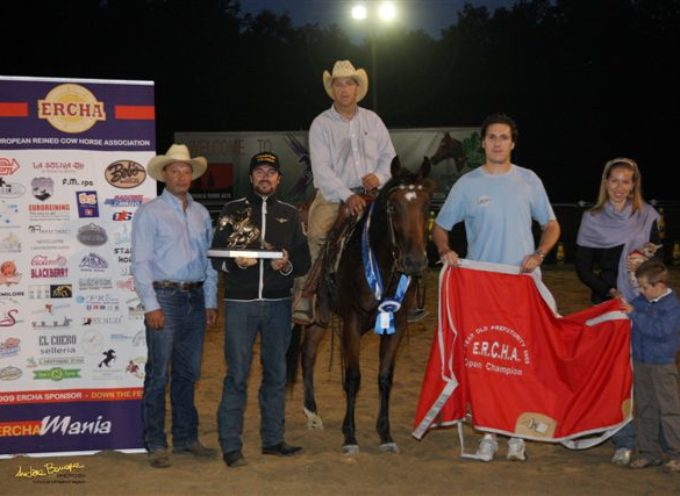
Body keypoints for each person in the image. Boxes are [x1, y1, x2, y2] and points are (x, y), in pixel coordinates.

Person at [432, 113, 560, 462]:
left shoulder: (528, 180)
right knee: (488, 361)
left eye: (504, 137)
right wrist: (445, 250)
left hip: (522, 286)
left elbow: (550, 225)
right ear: (483, 143)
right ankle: (488, 433)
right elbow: (440, 228)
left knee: (519, 359)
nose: (498, 143)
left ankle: (516, 435)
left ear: (513, 143)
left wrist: (539, 253)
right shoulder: (467, 184)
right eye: (492, 137)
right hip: (482, 289)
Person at [213, 152, 311, 468]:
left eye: (271, 172)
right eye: (259, 171)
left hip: (278, 305)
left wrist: (286, 266)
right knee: (237, 375)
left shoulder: (290, 214)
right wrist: (232, 262)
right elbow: (215, 255)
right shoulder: (232, 210)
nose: (265, 177)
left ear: (279, 179)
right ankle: (231, 446)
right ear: (251, 177)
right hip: (240, 305)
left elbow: (304, 261)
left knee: (276, 374)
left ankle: (272, 440)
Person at [131, 144, 218, 469]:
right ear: (165, 175)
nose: (181, 176)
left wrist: (209, 299)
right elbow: (141, 262)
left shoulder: (201, 213)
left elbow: (208, 260)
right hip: (164, 296)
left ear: (192, 176)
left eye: (186, 171)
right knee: (158, 374)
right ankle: (155, 442)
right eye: (175, 170)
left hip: (195, 298)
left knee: (187, 373)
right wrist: (151, 304)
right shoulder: (150, 212)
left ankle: (185, 438)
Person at [292, 59, 396, 325]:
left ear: (357, 87)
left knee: (400, 230)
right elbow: (322, 170)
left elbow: (389, 157)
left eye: (349, 83)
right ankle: (307, 294)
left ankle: (401, 294)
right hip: (333, 195)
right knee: (316, 234)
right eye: (338, 84)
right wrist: (347, 195)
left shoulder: (373, 121)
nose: (344, 89)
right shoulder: (321, 124)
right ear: (332, 89)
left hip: (373, 194)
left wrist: (380, 175)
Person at [575, 157, 661, 466]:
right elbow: (582, 268)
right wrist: (610, 292)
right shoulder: (592, 218)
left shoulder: (648, 216)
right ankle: (621, 440)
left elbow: (658, 266)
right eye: (614, 181)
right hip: (608, 307)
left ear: (634, 184)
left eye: (626, 181)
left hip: (642, 306)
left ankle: (653, 439)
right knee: (611, 375)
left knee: (645, 374)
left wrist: (643, 268)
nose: (619, 187)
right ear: (605, 182)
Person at [620, 260, 680, 472]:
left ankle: (676, 454)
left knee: (669, 409)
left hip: (662, 364)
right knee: (644, 407)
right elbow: (632, 310)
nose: (642, 291)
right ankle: (649, 452)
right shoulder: (644, 301)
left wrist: (633, 313)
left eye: (645, 287)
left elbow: (660, 331)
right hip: (642, 361)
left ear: (660, 285)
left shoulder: (672, 306)